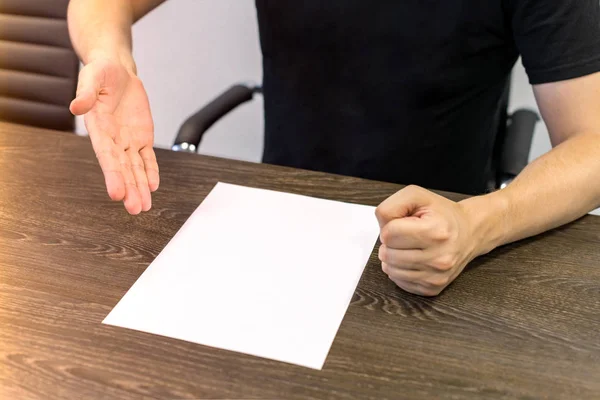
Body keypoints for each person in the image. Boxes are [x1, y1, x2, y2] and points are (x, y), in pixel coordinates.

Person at [67, 0, 600, 296]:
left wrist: (483, 221)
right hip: (280, 229)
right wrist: (108, 51)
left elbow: (592, 141)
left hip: (437, 246)